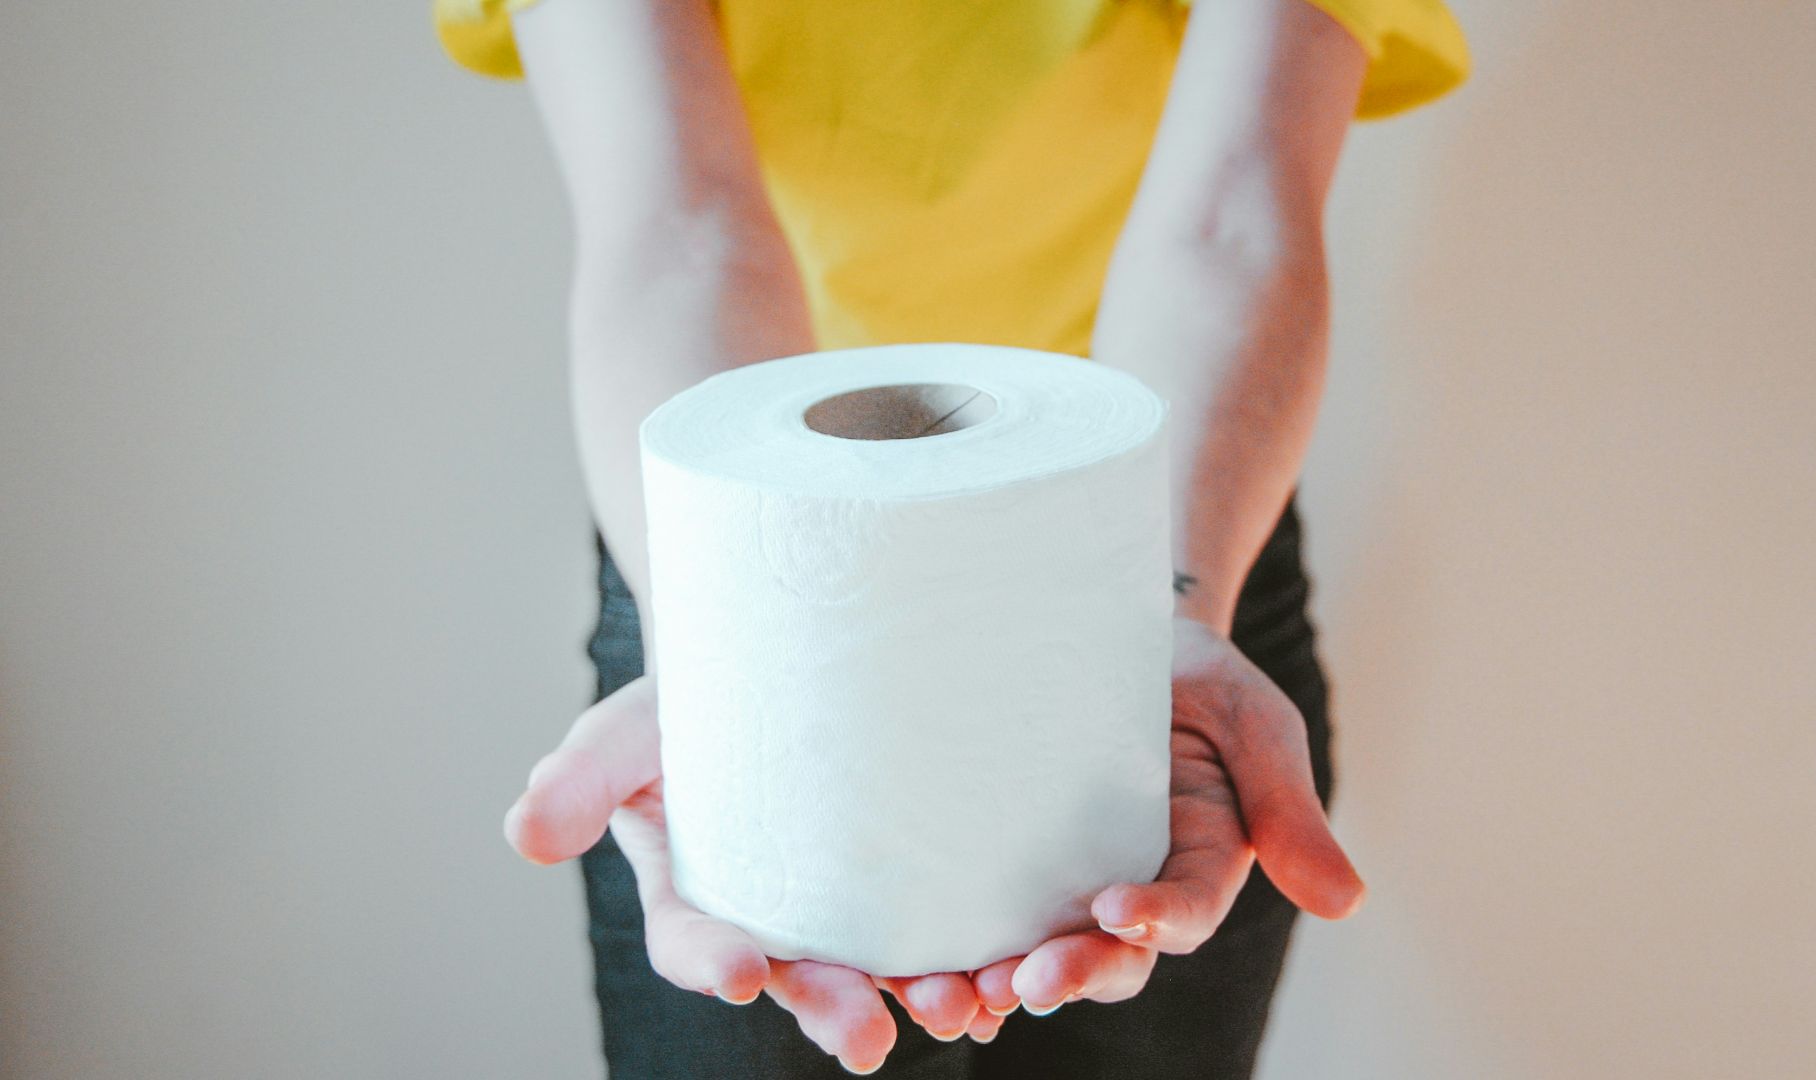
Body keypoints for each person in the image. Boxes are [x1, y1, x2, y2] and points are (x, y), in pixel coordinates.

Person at [433, 0, 1468, 1075]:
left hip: (1171, 522)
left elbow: (1231, 216)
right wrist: (724, 675)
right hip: (749, 572)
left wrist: (1164, 617)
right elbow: (681, 232)